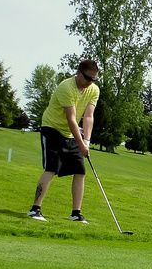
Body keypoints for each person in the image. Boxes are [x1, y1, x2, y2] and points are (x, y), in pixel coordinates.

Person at [27, 60, 100, 223]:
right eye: (88, 78)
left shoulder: (93, 90)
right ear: (79, 73)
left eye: (93, 80)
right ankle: (35, 209)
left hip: (71, 133)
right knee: (51, 168)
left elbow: (88, 116)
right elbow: (71, 119)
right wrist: (81, 144)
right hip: (52, 127)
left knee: (80, 171)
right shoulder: (66, 88)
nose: (90, 83)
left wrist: (86, 141)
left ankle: (76, 213)